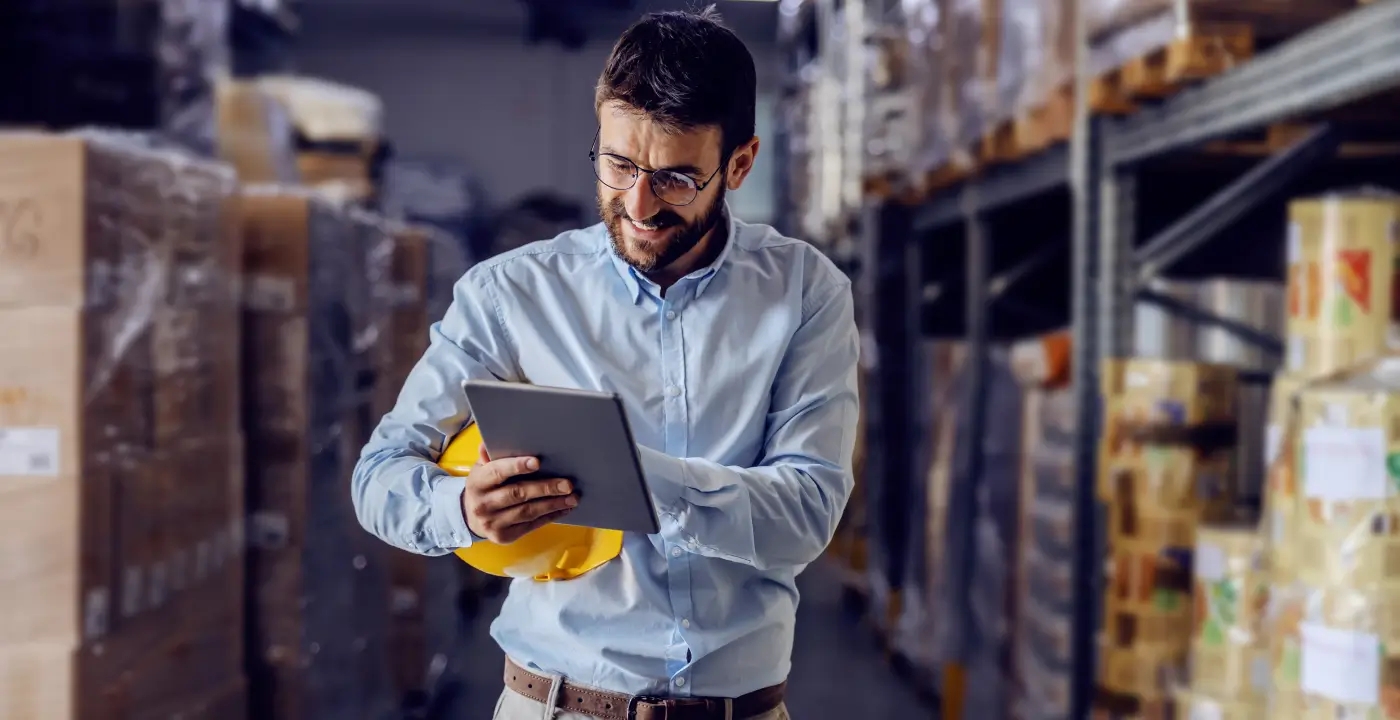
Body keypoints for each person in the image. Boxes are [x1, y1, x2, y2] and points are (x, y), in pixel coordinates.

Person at [352, 7, 859, 720]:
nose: (638, 204)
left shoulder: (805, 292)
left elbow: (806, 512)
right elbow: (379, 476)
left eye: (676, 178)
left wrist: (628, 479)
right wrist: (460, 508)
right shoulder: (511, 294)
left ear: (740, 164)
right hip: (557, 706)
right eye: (619, 165)